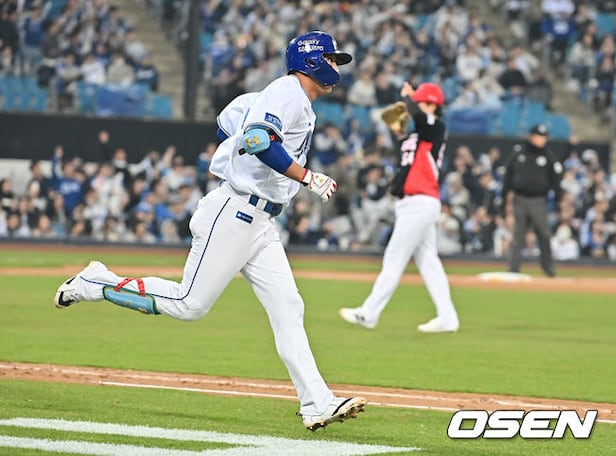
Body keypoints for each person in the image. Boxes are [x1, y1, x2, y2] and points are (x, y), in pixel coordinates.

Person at [53, 30, 366, 431]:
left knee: (289, 307)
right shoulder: (286, 92)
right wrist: (306, 177)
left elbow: (228, 126)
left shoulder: (288, 99)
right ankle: (96, 282)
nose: (336, 66)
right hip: (235, 211)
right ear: (312, 61)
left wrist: (243, 146)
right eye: (332, 58)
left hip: (261, 220)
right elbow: (256, 139)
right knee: (189, 303)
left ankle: (317, 403)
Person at [339, 81, 460, 334]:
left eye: (422, 102)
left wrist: (409, 97)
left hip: (421, 201)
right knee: (428, 260)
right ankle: (447, 316)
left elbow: (422, 121)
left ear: (433, 105)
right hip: (412, 202)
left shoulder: (436, 127)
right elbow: (406, 157)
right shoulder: (416, 135)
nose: (417, 106)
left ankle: (369, 313)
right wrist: (397, 130)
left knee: (394, 258)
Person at [501, 123, 563, 277]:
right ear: (531, 136)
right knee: (518, 234)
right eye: (539, 136)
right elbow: (508, 177)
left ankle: (548, 268)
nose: (541, 140)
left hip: (539, 200)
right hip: (520, 198)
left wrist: (558, 200)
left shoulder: (548, 155)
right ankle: (514, 268)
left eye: (544, 137)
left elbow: (556, 179)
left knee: (544, 233)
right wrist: (504, 198)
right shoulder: (518, 152)